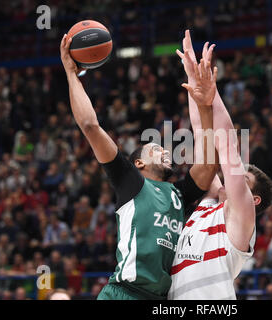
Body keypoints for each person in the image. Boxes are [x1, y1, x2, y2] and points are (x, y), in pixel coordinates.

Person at [60, 33, 217, 300]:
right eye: (155, 148)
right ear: (139, 163)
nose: (165, 151)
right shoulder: (131, 182)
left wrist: (206, 108)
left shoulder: (179, 195)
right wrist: (72, 74)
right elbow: (90, 126)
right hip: (124, 293)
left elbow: (209, 165)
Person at [168, 31, 272, 300]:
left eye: (243, 180)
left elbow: (227, 144)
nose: (232, 179)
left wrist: (211, 95)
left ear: (255, 199)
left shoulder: (240, 218)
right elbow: (202, 133)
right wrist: (192, 77)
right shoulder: (209, 201)